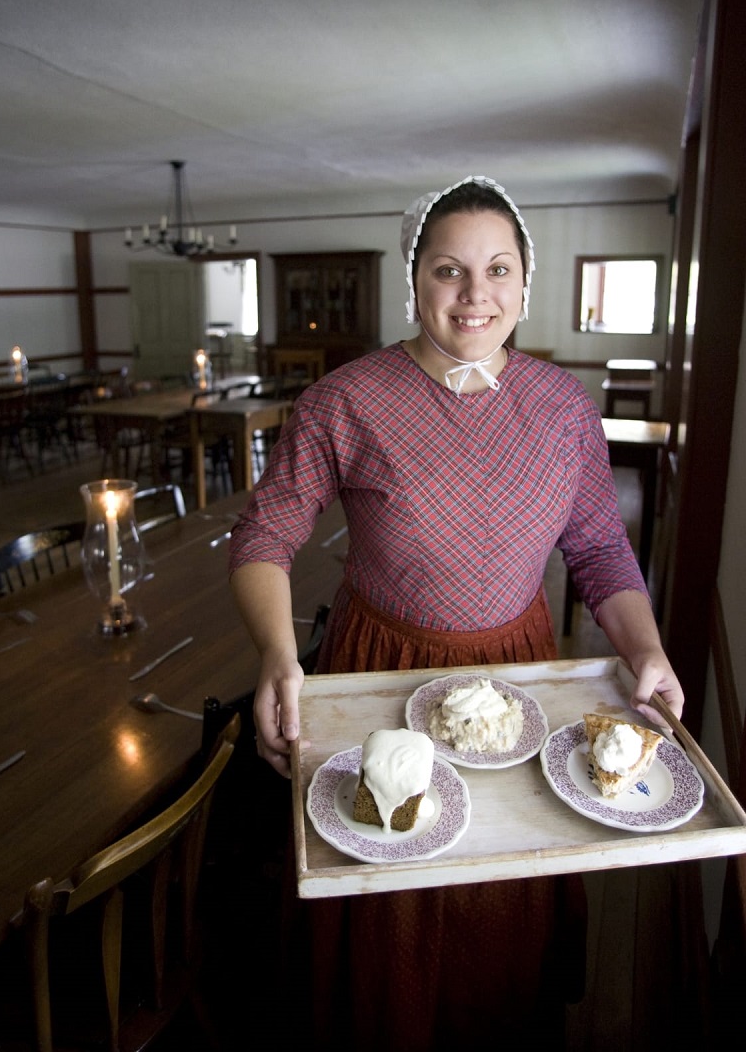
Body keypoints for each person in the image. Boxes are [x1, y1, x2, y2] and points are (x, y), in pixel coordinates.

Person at [229, 175, 683, 1050]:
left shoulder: (562, 408)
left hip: (515, 674)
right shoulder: (345, 400)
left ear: (525, 282)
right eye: (448, 270)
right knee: (387, 881)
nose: (476, 295)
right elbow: (264, 539)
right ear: (415, 281)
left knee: (499, 887)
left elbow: (598, 549)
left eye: (498, 269)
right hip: (376, 664)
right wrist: (279, 659)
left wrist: (649, 650)